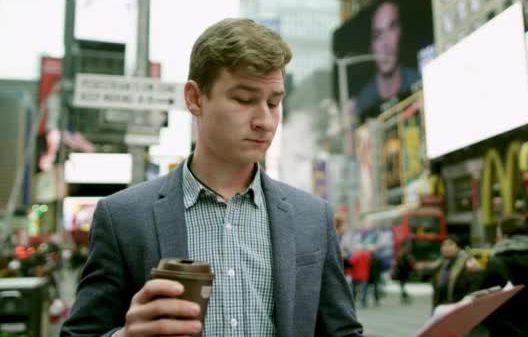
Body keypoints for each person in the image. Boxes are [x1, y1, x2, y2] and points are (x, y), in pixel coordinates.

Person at [61, 18, 363, 337]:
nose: (265, 120)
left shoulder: (312, 218)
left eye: (274, 102)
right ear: (195, 98)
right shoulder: (123, 218)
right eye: (244, 99)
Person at [477, 213, 528, 336]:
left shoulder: (497, 262)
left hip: (505, 331)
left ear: (505, 235)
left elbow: (481, 302)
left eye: (498, 233)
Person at [355, 0, 420, 122]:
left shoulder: (418, 79)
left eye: (391, 28)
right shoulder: (362, 102)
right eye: (377, 35)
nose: (385, 44)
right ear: (371, 45)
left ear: (401, 33)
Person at [430, 235, 481, 310]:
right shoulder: (439, 267)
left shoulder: (466, 264)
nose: (446, 248)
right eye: (444, 245)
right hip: (442, 309)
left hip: (460, 309)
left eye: (450, 244)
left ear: (459, 248)